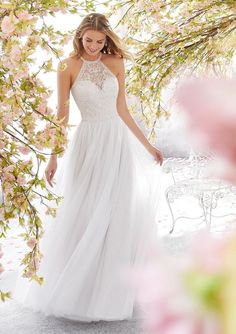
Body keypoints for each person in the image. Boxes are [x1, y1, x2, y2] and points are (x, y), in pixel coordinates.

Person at [13, 12, 163, 322]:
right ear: (79, 36)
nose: (93, 46)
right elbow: (63, 114)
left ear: (107, 39)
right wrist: (53, 156)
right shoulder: (67, 66)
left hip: (116, 142)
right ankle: (79, 289)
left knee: (118, 211)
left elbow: (122, 109)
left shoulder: (116, 62)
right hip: (88, 143)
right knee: (86, 210)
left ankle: (111, 290)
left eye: (99, 41)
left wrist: (148, 145)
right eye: (88, 40)